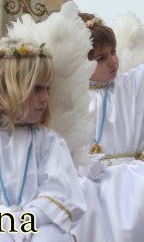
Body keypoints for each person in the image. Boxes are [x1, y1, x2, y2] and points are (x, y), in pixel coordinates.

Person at [0, 37, 85, 242]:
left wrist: (30, 217)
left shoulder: (49, 142)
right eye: (37, 88)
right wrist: (7, 220)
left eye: (48, 88)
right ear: (4, 88)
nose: (46, 98)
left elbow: (60, 189)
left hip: (40, 224)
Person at [79, 12, 144, 242]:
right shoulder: (69, 98)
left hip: (131, 181)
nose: (113, 61)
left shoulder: (129, 85)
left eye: (114, 52)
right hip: (89, 180)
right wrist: (80, 167)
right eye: (100, 59)